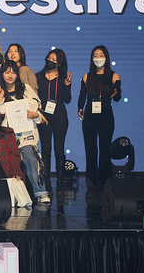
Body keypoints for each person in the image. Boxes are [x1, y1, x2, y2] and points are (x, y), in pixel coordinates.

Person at [0, 61, 48, 204]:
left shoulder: (26, 89)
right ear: (2, 74)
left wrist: (35, 115)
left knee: (31, 157)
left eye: (13, 72)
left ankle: (40, 192)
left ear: (17, 75)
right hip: (7, 137)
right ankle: (13, 196)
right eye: (7, 72)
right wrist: (0, 99)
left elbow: (37, 107)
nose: (10, 75)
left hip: (26, 136)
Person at [78, 45, 121, 192]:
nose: (98, 58)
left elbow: (117, 97)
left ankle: (105, 179)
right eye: (95, 56)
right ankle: (91, 179)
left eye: (101, 55)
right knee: (90, 149)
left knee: (105, 148)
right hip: (90, 115)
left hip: (106, 115)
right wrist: (80, 108)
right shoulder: (87, 76)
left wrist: (117, 91)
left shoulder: (114, 76)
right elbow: (82, 95)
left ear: (106, 58)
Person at [35, 49, 72, 194]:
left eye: (54, 59)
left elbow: (67, 100)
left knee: (59, 149)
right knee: (45, 150)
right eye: (49, 58)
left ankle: (60, 183)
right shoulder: (38, 77)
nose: (50, 61)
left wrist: (67, 86)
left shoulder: (63, 78)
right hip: (44, 116)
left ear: (59, 63)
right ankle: (47, 182)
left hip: (60, 115)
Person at [0, 18, 38, 90]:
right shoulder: (5, 67)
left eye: (16, 51)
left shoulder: (25, 69)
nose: (12, 54)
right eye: (9, 52)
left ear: (22, 54)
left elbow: (34, 88)